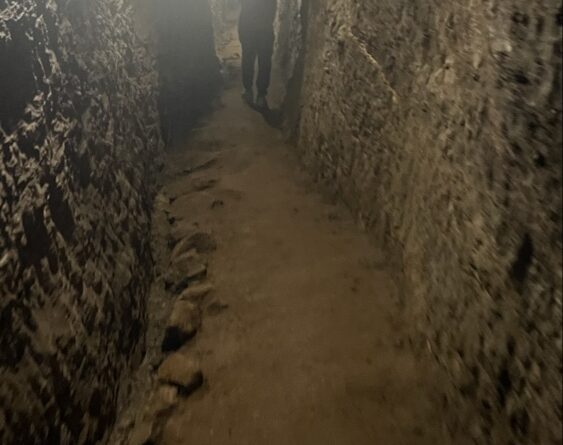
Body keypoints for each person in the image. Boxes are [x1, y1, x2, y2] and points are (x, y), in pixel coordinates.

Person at [238, 0, 277, 110]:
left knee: (248, 58)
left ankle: (248, 90)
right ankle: (261, 95)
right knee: (264, 61)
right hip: (264, 27)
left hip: (248, 26)